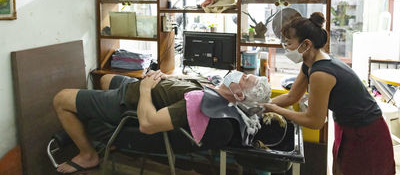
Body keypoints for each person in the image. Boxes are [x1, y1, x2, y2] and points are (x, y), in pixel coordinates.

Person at [53, 70, 270, 174]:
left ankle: (88, 155)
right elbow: (188, 87)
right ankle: (103, 128)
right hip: (150, 87)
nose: (240, 74)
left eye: (244, 79)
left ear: (239, 96)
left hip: (130, 100)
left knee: (61, 98)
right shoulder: (218, 90)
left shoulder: (201, 103)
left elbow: (148, 124)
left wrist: (146, 88)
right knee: (105, 78)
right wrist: (169, 77)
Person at [260, 12, 395, 175]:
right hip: (346, 125)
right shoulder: (309, 63)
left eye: (288, 43)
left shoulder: (321, 73)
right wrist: (260, 106)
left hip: (366, 133)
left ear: (306, 44)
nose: (286, 48)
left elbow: (315, 121)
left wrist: (274, 109)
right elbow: (292, 96)